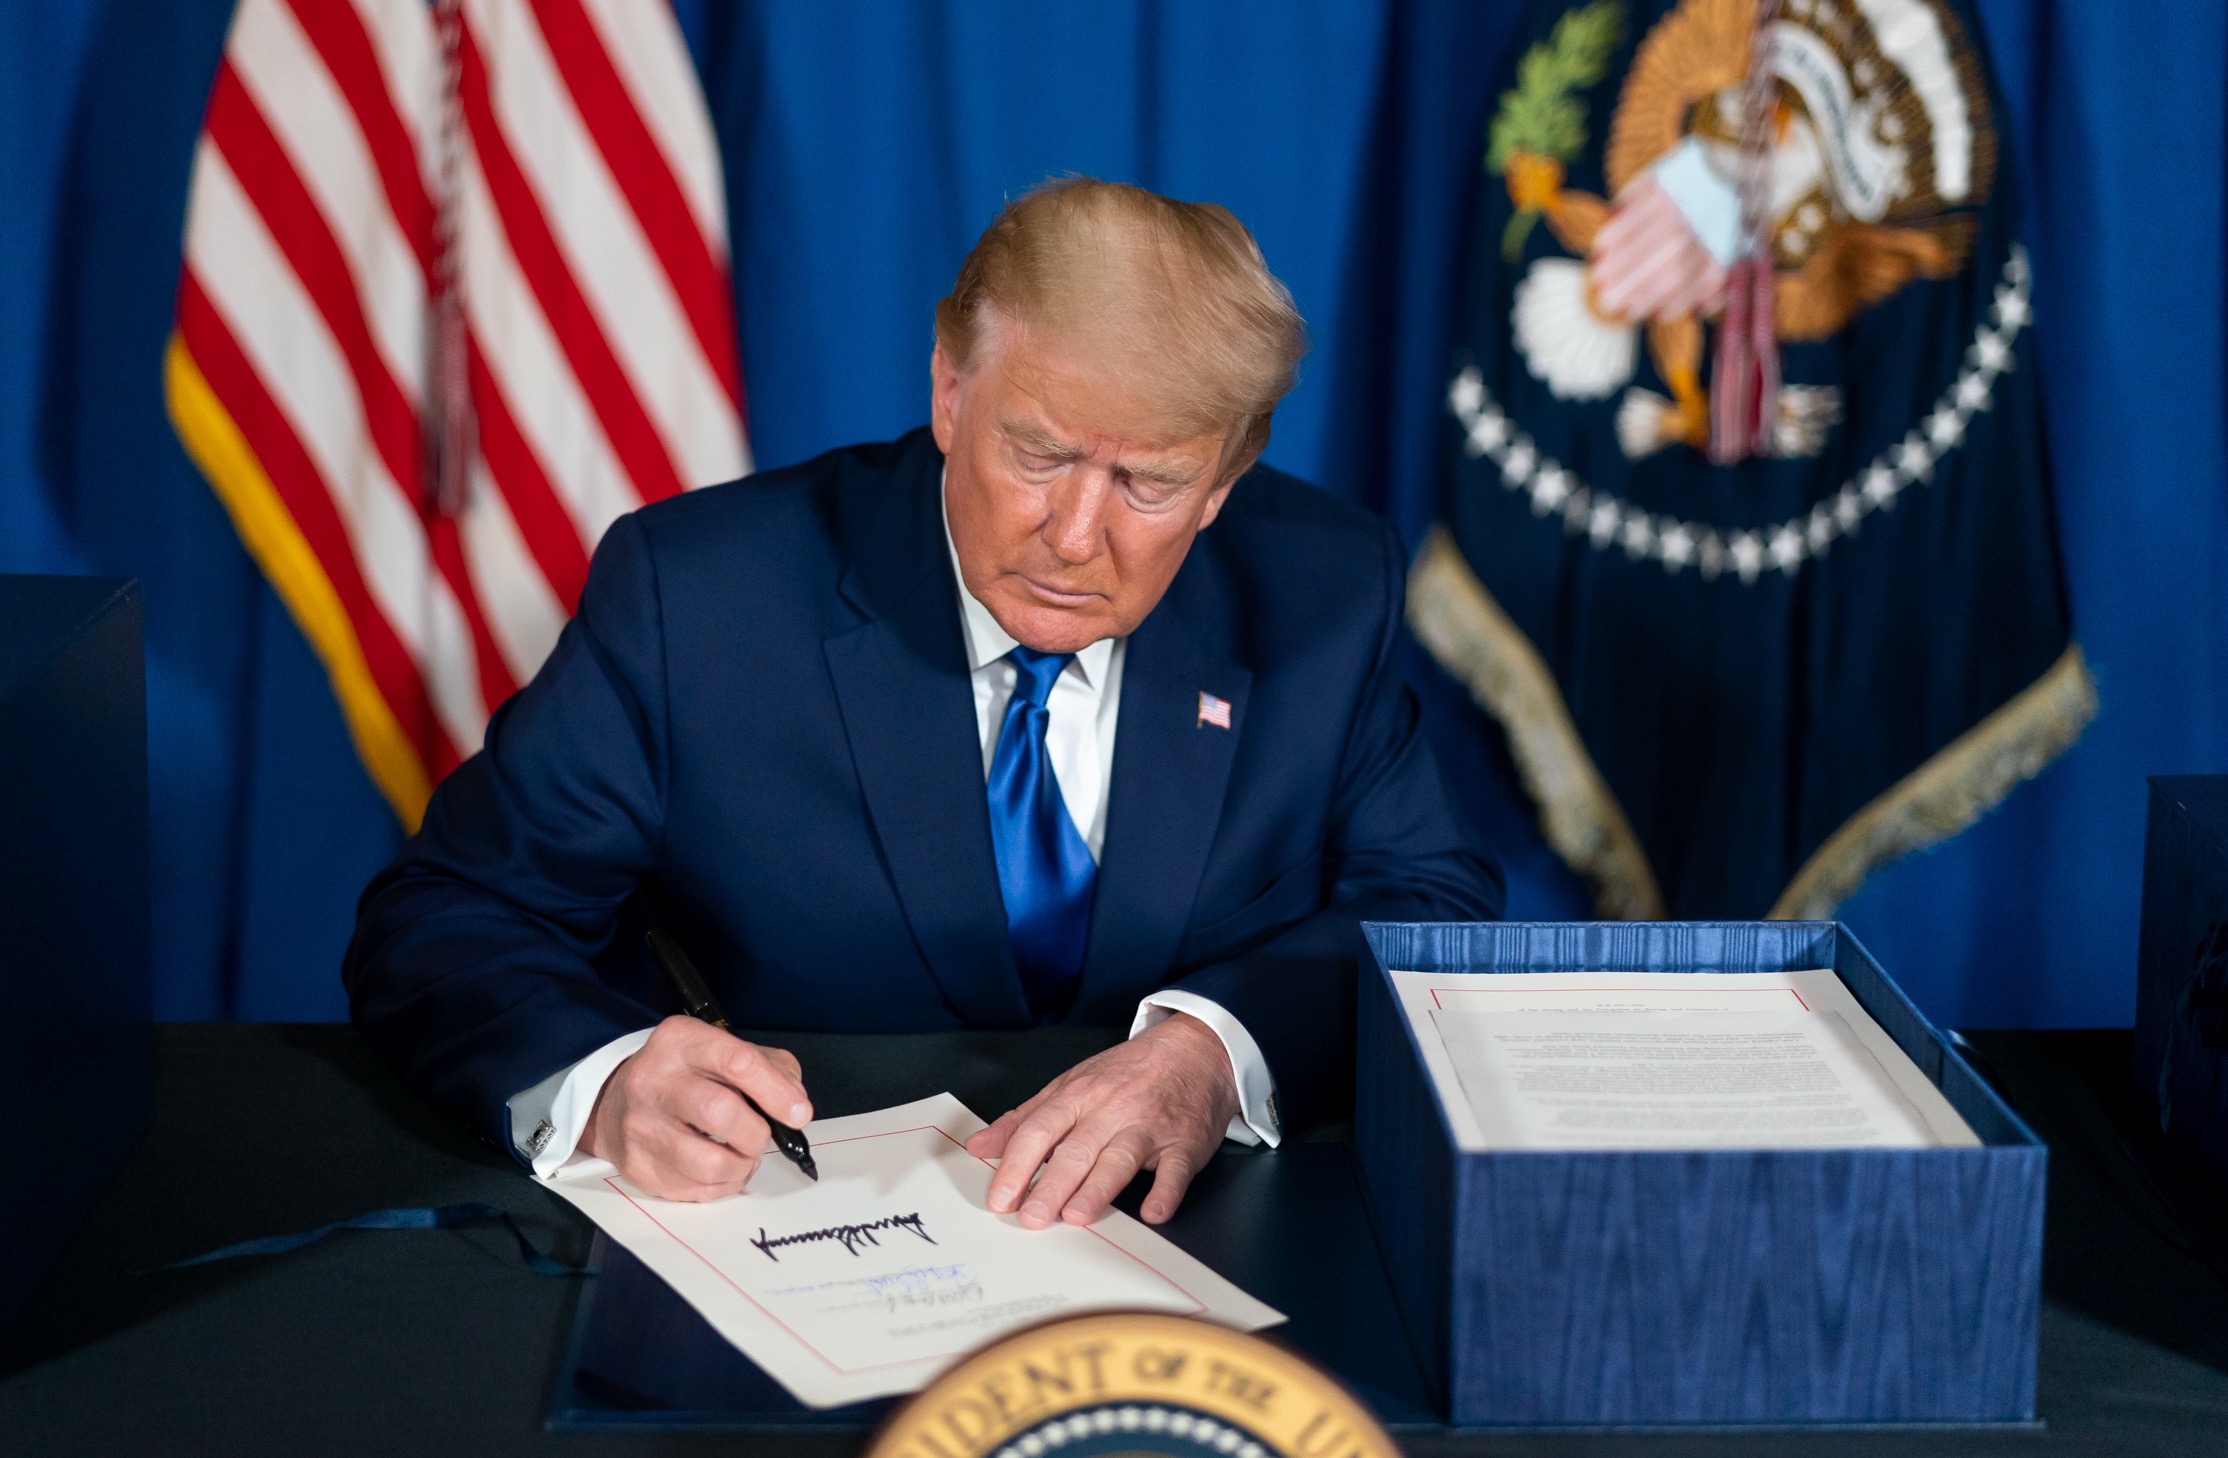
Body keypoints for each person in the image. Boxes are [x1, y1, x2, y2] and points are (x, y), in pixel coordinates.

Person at [344, 179, 1501, 1231]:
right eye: (1038, 454)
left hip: (1208, 1246)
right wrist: (598, 1086)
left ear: (1224, 482)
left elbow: (1432, 906)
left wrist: (1216, 1050)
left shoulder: (1320, 592)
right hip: (790, 1231)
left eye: (1148, 483)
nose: (1077, 534)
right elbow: (443, 919)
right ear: (951, 390)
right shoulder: (701, 596)